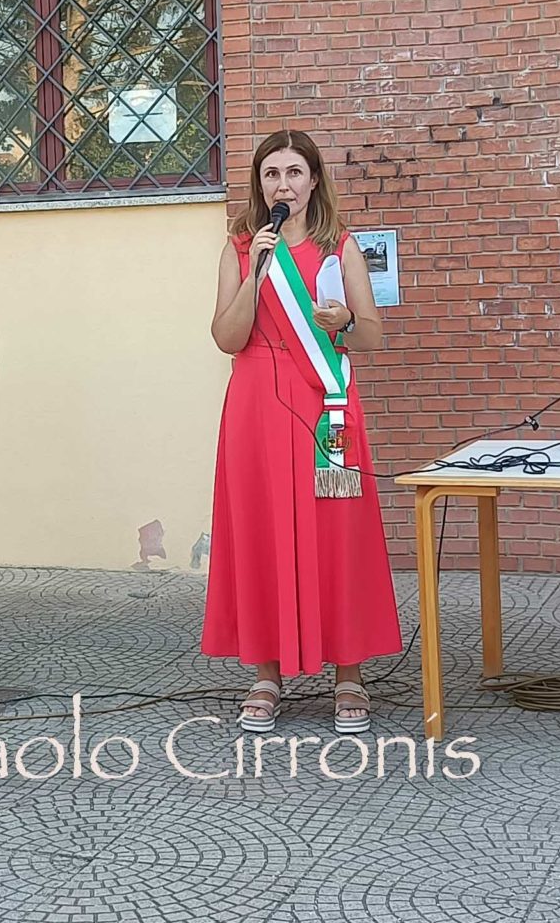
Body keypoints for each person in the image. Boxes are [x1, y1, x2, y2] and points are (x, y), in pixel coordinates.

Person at [202, 129, 400, 735]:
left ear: (313, 180)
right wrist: (257, 274)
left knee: (337, 529)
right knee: (260, 528)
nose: (282, 185)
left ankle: (349, 673)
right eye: (271, 174)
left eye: (293, 173)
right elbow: (227, 338)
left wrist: (344, 321)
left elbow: (372, 336)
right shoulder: (241, 248)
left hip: (326, 409)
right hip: (256, 408)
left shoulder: (340, 245)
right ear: (259, 184)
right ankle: (266, 672)